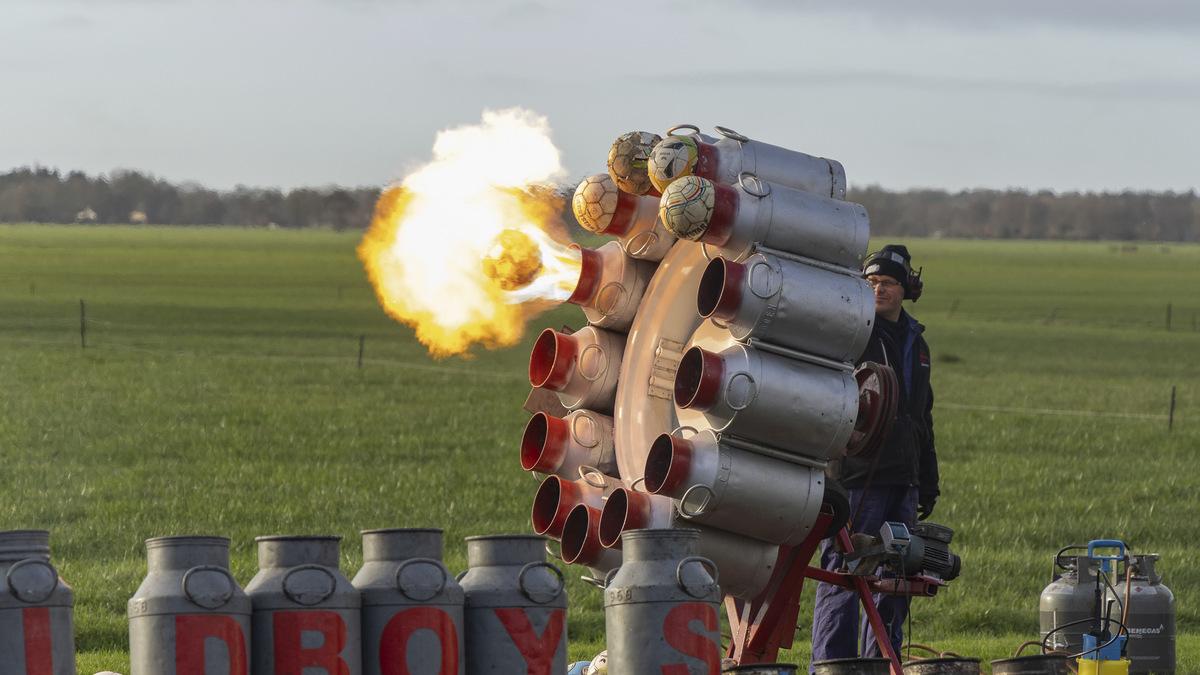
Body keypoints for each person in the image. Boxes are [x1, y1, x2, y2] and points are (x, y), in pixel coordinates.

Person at [810, 244, 938, 665]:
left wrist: (927, 481)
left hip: (904, 480)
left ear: (906, 290)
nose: (878, 289)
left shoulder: (918, 346)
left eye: (887, 283)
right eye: (871, 282)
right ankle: (833, 666)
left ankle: (881, 664)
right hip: (856, 477)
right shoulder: (852, 336)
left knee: (897, 578)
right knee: (846, 576)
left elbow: (923, 418)